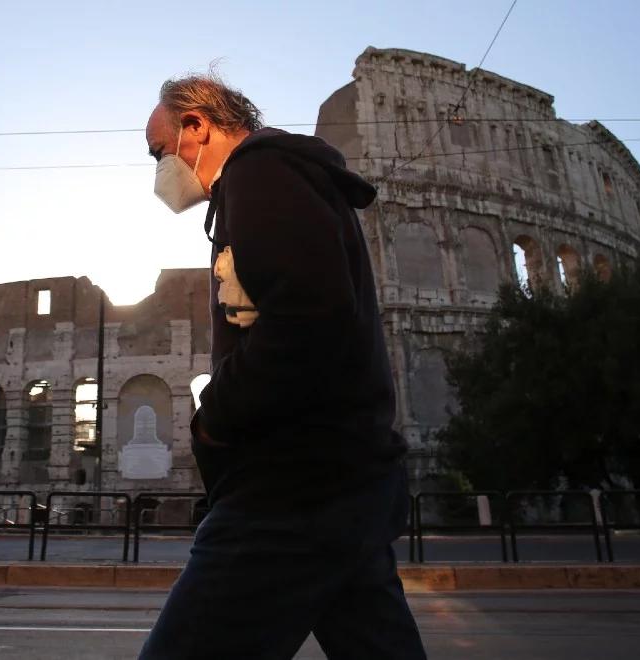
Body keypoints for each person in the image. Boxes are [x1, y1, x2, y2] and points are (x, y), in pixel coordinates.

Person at [139, 74, 428, 659]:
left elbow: (310, 316)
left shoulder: (261, 173)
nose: (158, 170)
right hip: (340, 476)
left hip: (291, 487)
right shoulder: (261, 184)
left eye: (159, 151)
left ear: (197, 125)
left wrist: (213, 419)